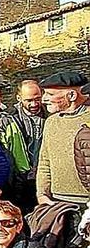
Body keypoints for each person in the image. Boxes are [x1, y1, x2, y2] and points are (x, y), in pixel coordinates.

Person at [37, 71, 90, 206]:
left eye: (50, 94)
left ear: (71, 95)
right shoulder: (51, 122)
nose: (43, 99)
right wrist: (42, 194)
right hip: (57, 202)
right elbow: (45, 161)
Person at [10, 79, 47, 212]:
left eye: (37, 99)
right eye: (29, 100)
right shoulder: (8, 118)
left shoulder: (51, 115)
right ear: (19, 98)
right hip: (19, 179)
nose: (34, 104)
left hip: (44, 175)